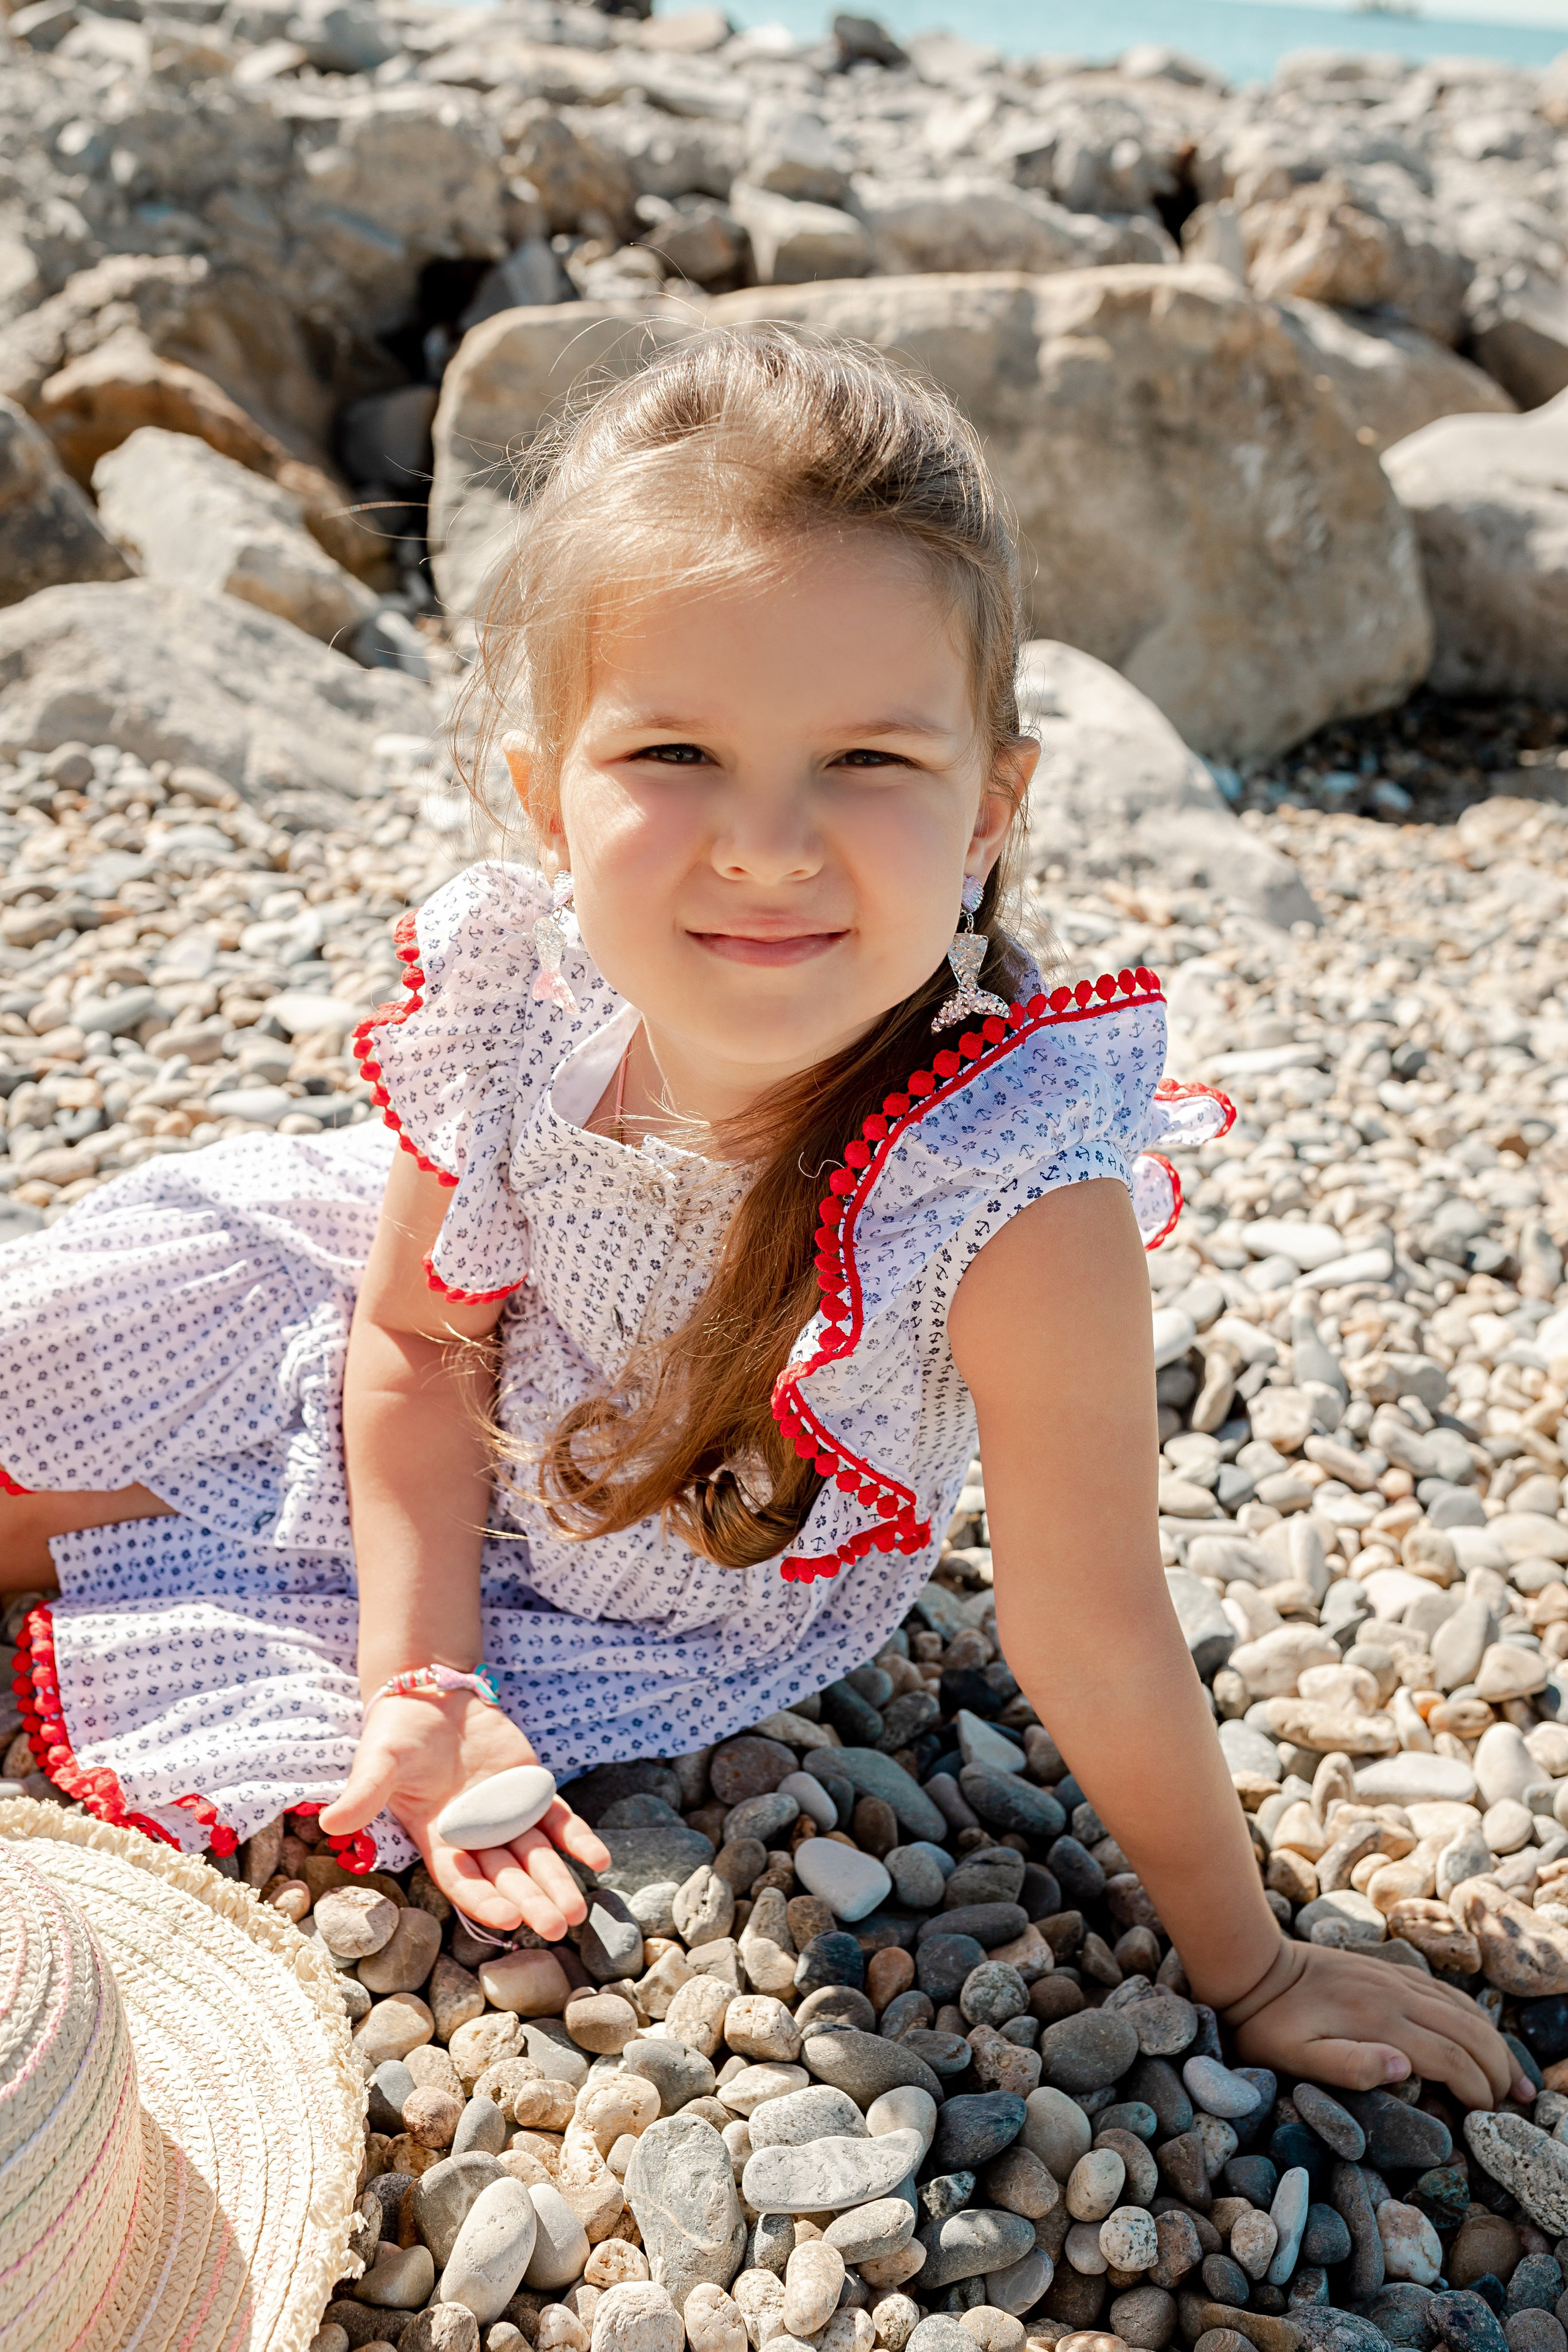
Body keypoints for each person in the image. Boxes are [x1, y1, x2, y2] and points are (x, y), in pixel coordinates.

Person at [0, 329, 1519, 2108]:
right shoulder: (517, 996)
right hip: (383, 1347)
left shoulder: (1007, 1190)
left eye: (870, 757)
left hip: (637, 1545)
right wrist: (423, 1668)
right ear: (545, 794)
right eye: (677, 752)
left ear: (989, 807)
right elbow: (413, 1336)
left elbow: (1089, 1626)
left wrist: (1250, 1962)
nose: (771, 844)